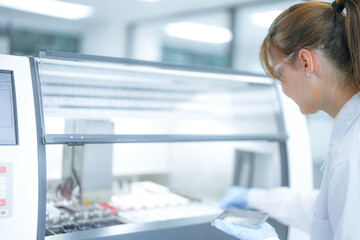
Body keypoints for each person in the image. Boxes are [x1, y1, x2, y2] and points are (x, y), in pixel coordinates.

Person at [213, 0, 360, 239]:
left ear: (306, 62)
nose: (283, 88)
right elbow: (326, 210)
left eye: (280, 74)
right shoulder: (350, 137)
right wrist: (254, 197)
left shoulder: (353, 154)